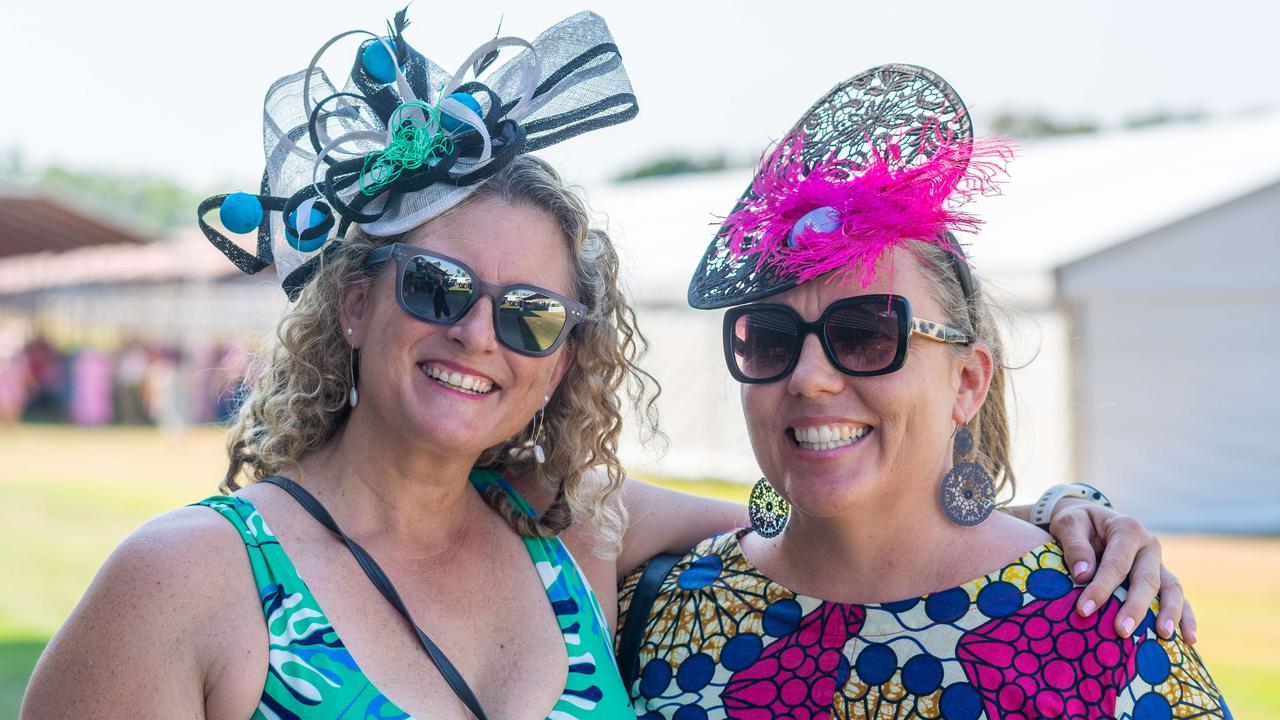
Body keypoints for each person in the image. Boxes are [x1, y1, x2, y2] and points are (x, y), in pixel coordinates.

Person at [22, 21, 1190, 720]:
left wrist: (1058, 519)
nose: (479, 334)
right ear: (356, 297)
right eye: (438, 289)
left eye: (530, 315)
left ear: (563, 358)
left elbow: (838, 524)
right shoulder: (190, 578)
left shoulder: (565, 544)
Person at [619, 65, 1229, 719]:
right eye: (769, 339)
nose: (808, 375)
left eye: (865, 334)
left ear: (967, 382)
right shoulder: (652, 613)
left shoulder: (1103, 636)